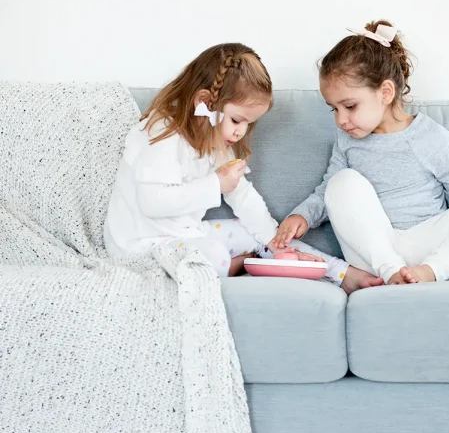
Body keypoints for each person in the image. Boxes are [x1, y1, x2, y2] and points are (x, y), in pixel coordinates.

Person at [273, 21, 449, 285]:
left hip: (430, 247)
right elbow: (327, 195)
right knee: (341, 182)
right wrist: (302, 216)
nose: (341, 120)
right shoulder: (346, 141)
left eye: (350, 106)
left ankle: (432, 271)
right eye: (334, 109)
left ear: (386, 92)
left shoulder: (430, 137)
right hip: (376, 253)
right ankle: (393, 273)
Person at [104, 42, 381, 293]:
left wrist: (274, 241)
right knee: (211, 255)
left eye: (248, 123)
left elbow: (243, 197)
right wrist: (215, 185)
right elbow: (153, 202)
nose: (240, 133)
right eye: (237, 120)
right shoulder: (161, 132)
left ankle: (338, 271)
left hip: (185, 235)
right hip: (140, 248)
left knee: (260, 232)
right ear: (204, 103)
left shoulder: (214, 139)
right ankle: (243, 262)